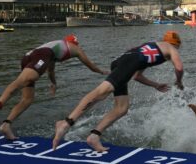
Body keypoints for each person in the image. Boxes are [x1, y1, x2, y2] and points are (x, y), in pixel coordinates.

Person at [52, 31, 185, 152]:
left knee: (122, 108)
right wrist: (179, 82)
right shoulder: (171, 48)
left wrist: (155, 85)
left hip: (121, 61)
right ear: (176, 44)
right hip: (130, 62)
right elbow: (179, 68)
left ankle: (94, 136)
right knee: (101, 92)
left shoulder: (153, 46)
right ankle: (66, 123)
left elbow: (136, 75)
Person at [0, 34, 107, 140]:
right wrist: (102, 72)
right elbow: (90, 65)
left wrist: (53, 84)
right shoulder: (75, 48)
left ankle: (6, 125)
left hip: (28, 57)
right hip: (40, 55)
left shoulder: (54, 50)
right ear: (74, 43)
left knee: (27, 99)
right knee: (25, 79)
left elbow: (51, 70)